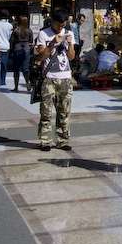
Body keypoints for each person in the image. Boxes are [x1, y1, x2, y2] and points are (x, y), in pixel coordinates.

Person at [34, 8, 76, 151]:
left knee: (64, 111)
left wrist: (70, 43)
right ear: (53, 21)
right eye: (59, 25)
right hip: (49, 77)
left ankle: (63, 139)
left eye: (63, 26)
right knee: (46, 111)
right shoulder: (43, 34)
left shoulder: (69, 33)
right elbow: (41, 57)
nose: (60, 28)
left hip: (65, 77)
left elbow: (71, 57)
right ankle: (45, 140)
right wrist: (52, 44)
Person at [10, 16, 34, 91]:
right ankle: (27, 82)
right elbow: (31, 41)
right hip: (26, 49)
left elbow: (12, 41)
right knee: (25, 68)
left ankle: (16, 86)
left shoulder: (16, 30)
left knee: (16, 69)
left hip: (17, 49)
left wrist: (11, 51)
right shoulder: (29, 31)